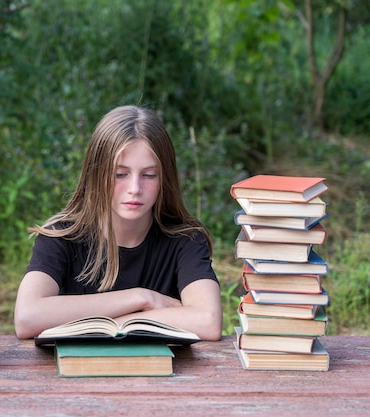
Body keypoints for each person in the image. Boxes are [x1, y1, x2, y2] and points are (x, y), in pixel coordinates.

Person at [14, 105, 222, 341]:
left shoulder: (184, 240)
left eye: (149, 175)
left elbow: (208, 321)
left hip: (162, 377)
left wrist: (119, 324)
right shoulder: (62, 236)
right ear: (96, 174)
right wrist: (141, 298)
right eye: (120, 174)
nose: (135, 189)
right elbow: (26, 317)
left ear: (165, 178)